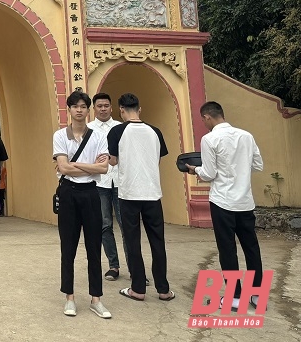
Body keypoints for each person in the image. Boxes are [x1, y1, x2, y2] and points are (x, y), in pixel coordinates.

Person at [187, 101, 265, 310]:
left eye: (203, 120)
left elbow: (210, 173)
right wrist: (239, 168)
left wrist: (195, 170)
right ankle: (257, 296)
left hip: (222, 202)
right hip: (245, 202)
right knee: (251, 247)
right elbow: (258, 164)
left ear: (207, 117)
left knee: (227, 249)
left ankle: (235, 296)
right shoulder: (246, 136)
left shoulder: (209, 139)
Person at [107, 93, 174, 303]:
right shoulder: (155, 131)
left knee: (132, 241)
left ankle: (137, 288)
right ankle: (163, 289)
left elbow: (113, 161)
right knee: (158, 241)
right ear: (140, 109)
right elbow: (157, 159)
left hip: (128, 194)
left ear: (121, 110)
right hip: (152, 193)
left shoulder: (117, 131)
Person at [53, 91, 112, 319]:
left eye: (83, 106)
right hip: (68, 193)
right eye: (75, 106)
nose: (79, 110)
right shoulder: (59, 135)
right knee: (68, 247)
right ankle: (69, 297)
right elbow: (64, 170)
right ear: (69, 109)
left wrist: (72, 164)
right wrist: (88, 165)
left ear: (89, 110)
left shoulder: (98, 136)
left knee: (94, 246)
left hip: (90, 193)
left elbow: (104, 168)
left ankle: (96, 299)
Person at [88, 93, 125, 282]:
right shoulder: (88, 129)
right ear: (94, 108)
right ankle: (114, 265)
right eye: (99, 106)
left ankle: (136, 267)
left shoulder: (121, 127)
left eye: (106, 105)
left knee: (127, 225)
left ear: (112, 108)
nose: (103, 109)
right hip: (99, 183)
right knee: (105, 225)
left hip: (121, 182)